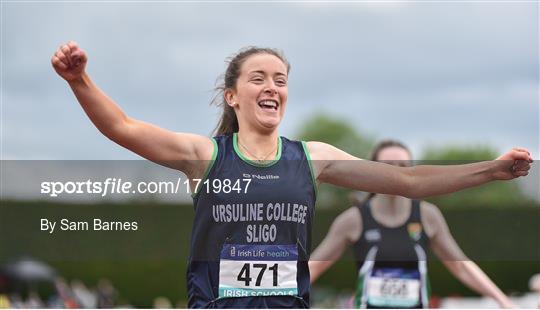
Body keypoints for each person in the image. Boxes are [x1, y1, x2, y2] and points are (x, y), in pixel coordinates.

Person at [51, 41, 532, 308]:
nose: (272, 87)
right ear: (232, 96)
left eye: (280, 80)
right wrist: (80, 81)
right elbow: (123, 128)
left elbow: (407, 183)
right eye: (258, 78)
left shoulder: (312, 156)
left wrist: (489, 171)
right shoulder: (204, 156)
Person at [309, 140, 517, 308]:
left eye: (403, 167)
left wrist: (504, 302)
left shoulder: (428, 216)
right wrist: (279, 298)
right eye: (388, 166)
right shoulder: (353, 220)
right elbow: (313, 268)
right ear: (372, 170)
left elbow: (461, 266)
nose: (396, 173)